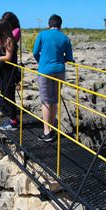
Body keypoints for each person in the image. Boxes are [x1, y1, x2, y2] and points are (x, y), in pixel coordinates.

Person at [33, 14, 74, 142]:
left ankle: (46, 132)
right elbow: (69, 58)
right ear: (60, 25)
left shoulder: (42, 35)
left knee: (46, 100)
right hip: (59, 71)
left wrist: (42, 62)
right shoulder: (65, 38)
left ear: (49, 24)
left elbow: (35, 52)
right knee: (54, 100)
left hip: (45, 71)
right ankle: (51, 128)